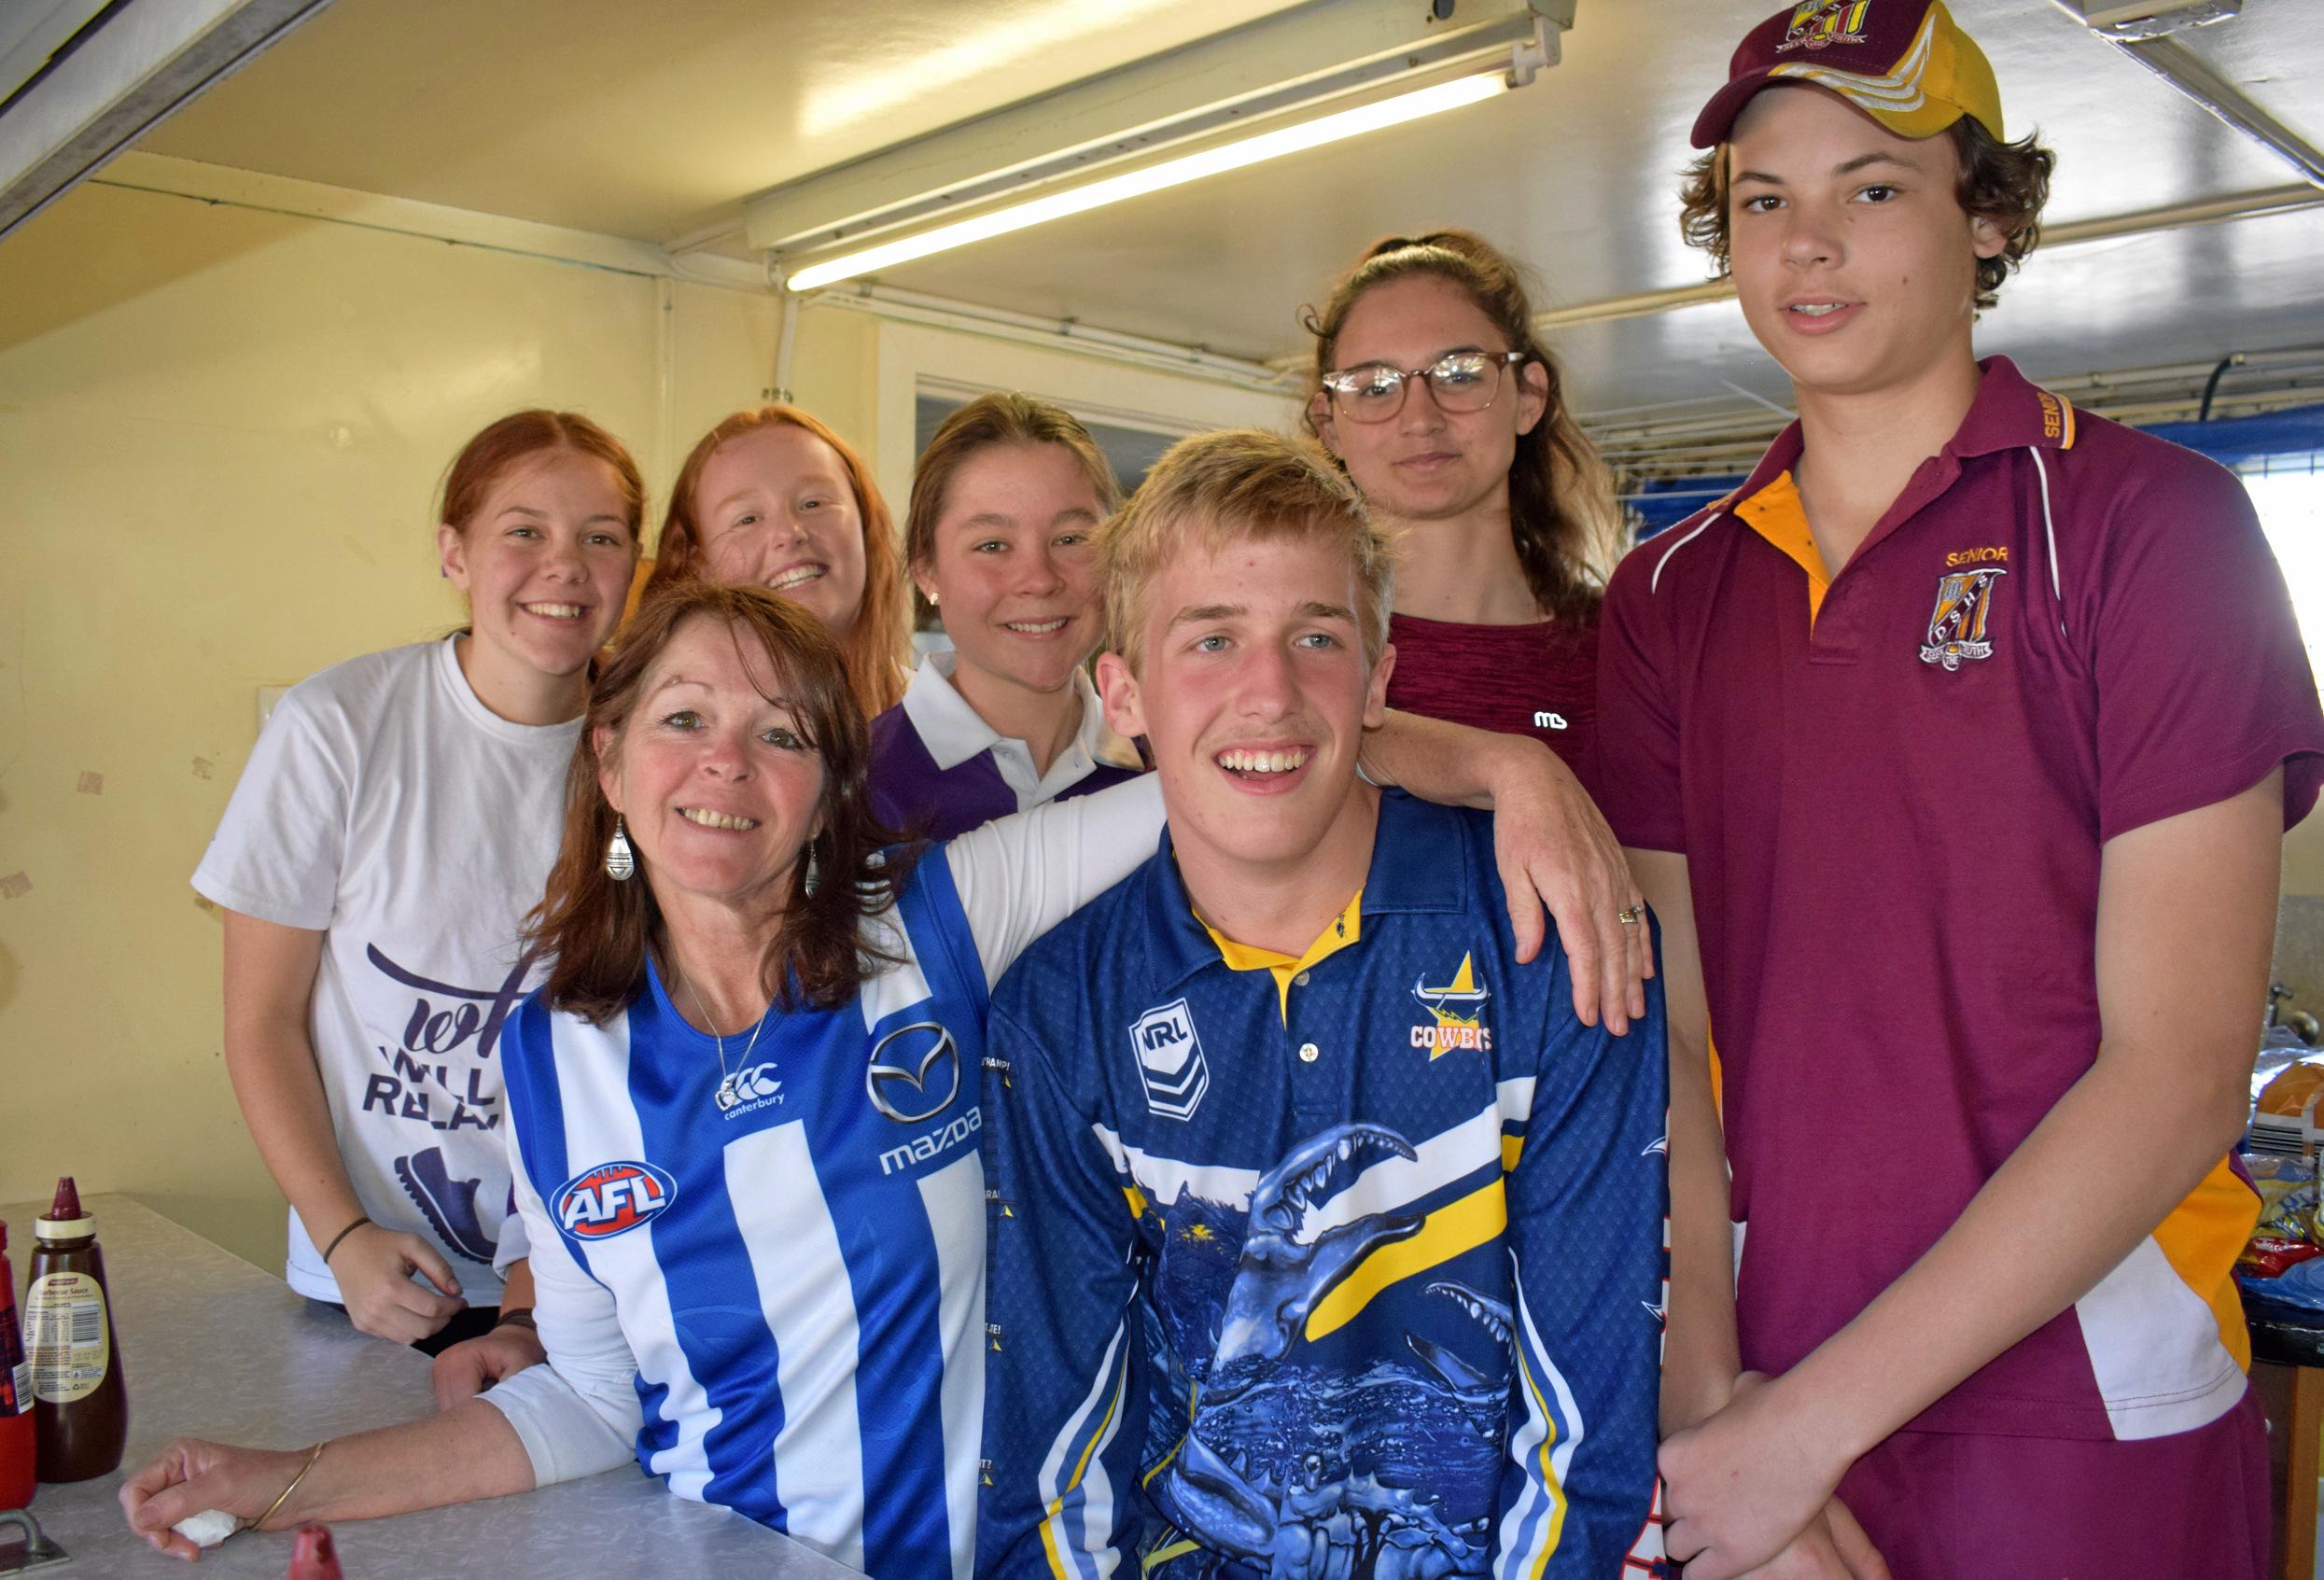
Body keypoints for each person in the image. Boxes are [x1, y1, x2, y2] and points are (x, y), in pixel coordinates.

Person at [126, 580, 1648, 1573]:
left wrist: (1516, 767)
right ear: (607, 759)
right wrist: (293, 1476)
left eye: (777, 732)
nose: (724, 764)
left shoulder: (937, 920)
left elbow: (1245, 761)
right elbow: (593, 1398)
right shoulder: (548, 1053)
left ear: (823, 786)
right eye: (682, 721)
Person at [1597, 5, 2324, 1575]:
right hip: (1755, 1376)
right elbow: (1665, 1037)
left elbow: (2178, 1068)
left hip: (2079, 1400)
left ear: (1984, 215)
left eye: (1871, 188)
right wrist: (1714, 1406)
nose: (1807, 244)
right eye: (1760, 200)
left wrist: (1793, 1434)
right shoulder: (1665, 591)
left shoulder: (2150, 529)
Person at [979, 429, 1667, 1578]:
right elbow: (1055, 1450)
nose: (1270, 692)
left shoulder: (1545, 938)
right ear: (1124, 691)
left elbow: (1586, 1432)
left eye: (1317, 637)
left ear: (1381, 676)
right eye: (1212, 640)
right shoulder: (1060, 1012)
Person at [189, 411, 645, 1364]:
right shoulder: (339, 725)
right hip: (375, 1282)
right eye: (524, 531)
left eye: (600, 538)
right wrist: (341, 1236)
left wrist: (532, 1299)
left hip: (597, 1278)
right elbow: (259, 1020)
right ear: (455, 553)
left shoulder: (659, 749)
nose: (564, 565)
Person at [1304, 230, 1627, 781]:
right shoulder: (1283, 647)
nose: (1420, 418)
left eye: (1458, 375)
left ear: (1529, 398)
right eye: (1375, 386)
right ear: (1330, 426)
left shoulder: (1626, 650)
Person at [870, 392, 1137, 841]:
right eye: (992, 545)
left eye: (1071, 539)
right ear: (926, 571)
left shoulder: (1164, 768)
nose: (1038, 579)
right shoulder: (854, 786)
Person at [647, 404, 911, 717]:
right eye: (747, 519)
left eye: (814, 503)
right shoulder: (665, 739)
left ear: (866, 526)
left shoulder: (940, 728)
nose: (789, 532)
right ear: (697, 564)